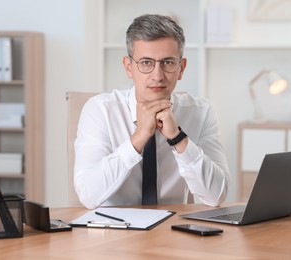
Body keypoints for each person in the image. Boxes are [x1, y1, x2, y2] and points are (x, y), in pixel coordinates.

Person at [74, 14, 230, 209]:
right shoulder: (100, 110)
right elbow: (88, 195)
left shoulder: (200, 112)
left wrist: (178, 138)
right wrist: (138, 139)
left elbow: (216, 196)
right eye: (146, 63)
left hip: (172, 231)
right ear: (128, 67)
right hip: (114, 233)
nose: (157, 76)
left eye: (168, 63)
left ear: (181, 68)